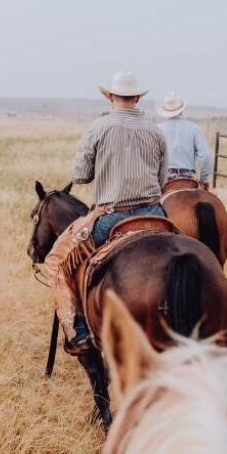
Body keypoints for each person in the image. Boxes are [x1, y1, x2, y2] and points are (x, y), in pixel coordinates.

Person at [46, 71, 167, 354]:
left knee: (57, 262)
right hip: (155, 212)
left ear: (111, 97)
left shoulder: (98, 128)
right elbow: (162, 181)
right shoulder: (155, 131)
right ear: (137, 98)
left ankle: (76, 330)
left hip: (112, 216)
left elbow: (79, 175)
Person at [156, 91, 212, 188]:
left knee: (152, 202)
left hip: (165, 179)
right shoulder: (194, 128)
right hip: (188, 178)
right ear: (181, 110)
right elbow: (206, 156)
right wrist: (203, 180)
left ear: (165, 111)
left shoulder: (157, 129)